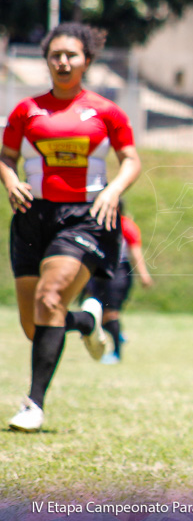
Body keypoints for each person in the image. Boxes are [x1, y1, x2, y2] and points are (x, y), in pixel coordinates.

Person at [2, 22, 141, 432]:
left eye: (71, 55)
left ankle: (33, 404)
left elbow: (131, 159)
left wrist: (113, 191)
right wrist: (11, 181)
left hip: (86, 216)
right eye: (55, 55)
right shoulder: (26, 111)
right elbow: (6, 157)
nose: (63, 62)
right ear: (46, 61)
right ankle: (85, 322)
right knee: (35, 325)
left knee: (50, 298)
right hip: (33, 216)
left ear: (87, 60)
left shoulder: (106, 111)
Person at [81, 200, 154, 364]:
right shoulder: (95, 224)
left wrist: (144, 275)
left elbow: (135, 252)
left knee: (110, 313)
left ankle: (117, 353)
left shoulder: (126, 226)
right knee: (94, 309)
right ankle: (116, 333)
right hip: (97, 271)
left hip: (118, 272)